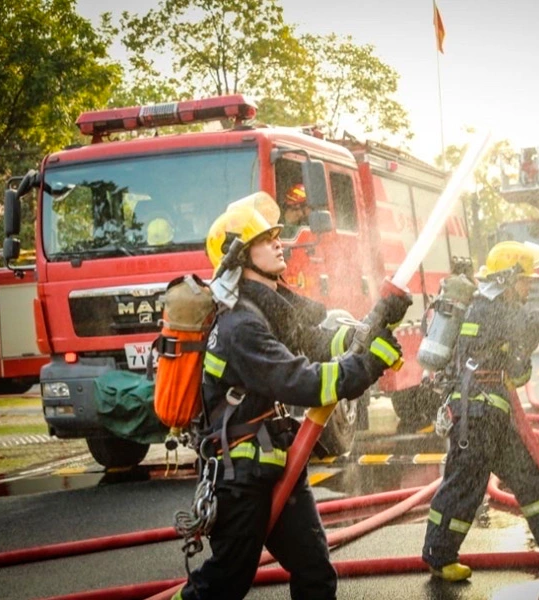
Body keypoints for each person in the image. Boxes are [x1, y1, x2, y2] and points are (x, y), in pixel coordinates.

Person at [176, 197, 411, 600]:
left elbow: (323, 343)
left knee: (315, 571)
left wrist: (374, 323)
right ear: (239, 258)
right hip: (240, 478)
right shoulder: (240, 326)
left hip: (275, 463)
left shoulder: (266, 311)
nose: (278, 241)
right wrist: (368, 366)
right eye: (265, 239)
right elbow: (301, 382)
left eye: (275, 234)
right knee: (223, 584)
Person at [422, 240, 539, 583]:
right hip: (475, 414)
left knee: (528, 473)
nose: (530, 285)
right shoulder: (488, 307)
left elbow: (516, 366)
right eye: (525, 279)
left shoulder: (497, 308)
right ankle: (439, 555)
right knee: (466, 482)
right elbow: (525, 328)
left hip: (491, 412)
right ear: (508, 279)